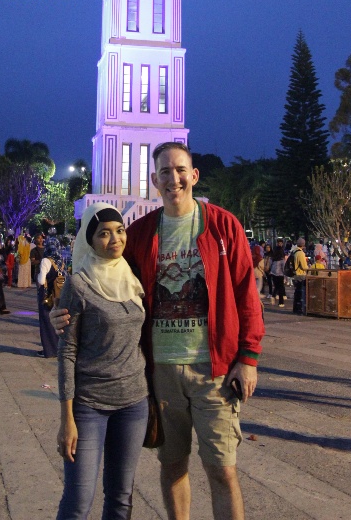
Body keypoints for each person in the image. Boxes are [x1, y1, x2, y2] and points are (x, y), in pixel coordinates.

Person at [52, 143, 264, 520]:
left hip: (212, 370)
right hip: (161, 372)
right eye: (165, 172)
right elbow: (105, 274)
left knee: (222, 470)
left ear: (194, 175)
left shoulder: (222, 226)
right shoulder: (140, 233)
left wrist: (248, 358)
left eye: (180, 170)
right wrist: (62, 313)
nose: (174, 178)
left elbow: (247, 292)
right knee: (172, 465)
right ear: (154, 181)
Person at [56, 202, 148, 520]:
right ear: (90, 240)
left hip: (133, 404)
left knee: (121, 498)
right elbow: (66, 352)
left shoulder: (133, 279)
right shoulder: (79, 285)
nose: (114, 239)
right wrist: (66, 418)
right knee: (79, 500)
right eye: (104, 234)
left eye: (119, 231)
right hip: (89, 405)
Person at [36, 242, 65, 358]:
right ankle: (59, 349)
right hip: (59, 294)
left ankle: (49, 350)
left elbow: (42, 281)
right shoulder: (61, 261)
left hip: (47, 296)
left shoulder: (46, 261)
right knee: (57, 322)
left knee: (46, 322)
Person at [291, 239, 309, 315]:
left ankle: (295, 308)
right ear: (303, 245)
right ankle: (300, 309)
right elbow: (304, 266)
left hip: (295, 273)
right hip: (300, 274)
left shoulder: (294, 251)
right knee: (301, 292)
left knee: (297, 292)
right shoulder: (301, 253)